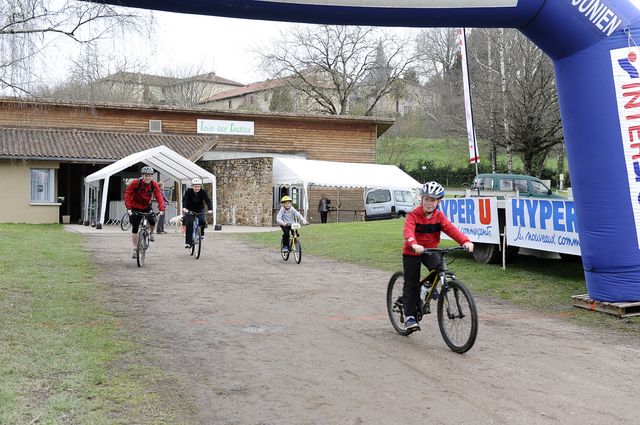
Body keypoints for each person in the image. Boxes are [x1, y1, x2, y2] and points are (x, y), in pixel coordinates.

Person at [402, 181, 474, 334]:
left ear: (438, 201)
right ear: (422, 198)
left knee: (440, 267)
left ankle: (427, 286)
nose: (429, 203)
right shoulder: (413, 215)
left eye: (433, 200)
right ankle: (409, 317)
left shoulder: (439, 216)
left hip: (430, 250)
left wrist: (465, 241)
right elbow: (408, 231)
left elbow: (451, 229)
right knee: (411, 284)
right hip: (412, 252)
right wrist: (413, 243)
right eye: (426, 199)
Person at [124, 166, 166, 259]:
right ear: (142, 176)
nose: (148, 178)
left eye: (150, 176)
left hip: (146, 207)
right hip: (135, 207)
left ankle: (151, 232)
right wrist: (129, 208)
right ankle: (135, 248)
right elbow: (128, 194)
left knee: (152, 221)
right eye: (146, 176)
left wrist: (162, 208)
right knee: (135, 228)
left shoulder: (154, 184)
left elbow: (159, 196)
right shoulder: (136, 183)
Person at [182, 177, 213, 249]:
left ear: (200, 186)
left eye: (198, 186)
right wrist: (184, 208)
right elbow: (185, 200)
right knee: (189, 224)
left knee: (202, 221)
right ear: (192, 186)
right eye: (195, 186)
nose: (197, 188)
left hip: (199, 209)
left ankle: (201, 234)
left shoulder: (203, 192)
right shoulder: (188, 191)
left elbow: (208, 200)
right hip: (189, 209)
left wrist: (210, 209)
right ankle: (188, 243)